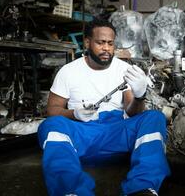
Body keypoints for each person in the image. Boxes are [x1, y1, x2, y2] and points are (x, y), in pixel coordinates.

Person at [37, 19, 170, 196]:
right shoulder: (68, 71)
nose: (106, 48)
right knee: (50, 125)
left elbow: (132, 112)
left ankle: (142, 188)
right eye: (100, 42)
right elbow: (52, 109)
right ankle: (71, 190)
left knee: (154, 118)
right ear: (87, 42)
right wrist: (75, 114)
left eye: (110, 43)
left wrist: (139, 96)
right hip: (83, 133)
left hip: (116, 131)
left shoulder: (125, 69)